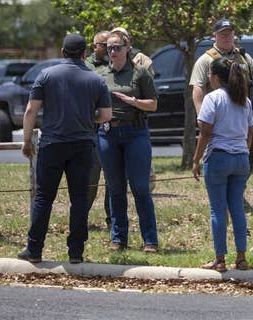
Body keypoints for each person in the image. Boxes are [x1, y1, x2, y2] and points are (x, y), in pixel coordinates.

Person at [17, 33, 112, 264]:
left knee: (43, 197)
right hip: (82, 145)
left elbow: (31, 110)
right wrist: (89, 119)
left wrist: (26, 140)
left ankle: (34, 249)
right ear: (84, 54)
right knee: (79, 198)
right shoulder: (96, 80)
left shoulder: (46, 75)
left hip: (52, 144)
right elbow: (106, 115)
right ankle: (76, 252)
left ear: (62, 52)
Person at [97, 31, 159, 253]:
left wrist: (133, 101)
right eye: (109, 47)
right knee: (115, 189)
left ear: (127, 48)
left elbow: (153, 105)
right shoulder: (101, 75)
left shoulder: (140, 73)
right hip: (107, 134)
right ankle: (119, 238)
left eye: (117, 47)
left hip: (135, 133)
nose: (113, 51)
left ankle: (150, 240)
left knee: (141, 188)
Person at [192, 57, 253, 272]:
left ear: (216, 76)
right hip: (241, 159)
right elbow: (250, 132)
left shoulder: (212, 98)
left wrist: (196, 159)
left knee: (218, 211)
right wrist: (242, 149)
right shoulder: (244, 100)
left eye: (210, 74)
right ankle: (242, 258)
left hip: (218, 157)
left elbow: (205, 132)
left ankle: (219, 260)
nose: (208, 77)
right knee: (237, 208)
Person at [190, 18, 253, 176]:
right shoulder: (206, 60)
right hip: (218, 115)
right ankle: (221, 185)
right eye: (223, 34)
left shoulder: (244, 57)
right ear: (214, 36)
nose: (227, 38)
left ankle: (238, 186)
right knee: (217, 153)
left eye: (230, 34)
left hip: (242, 114)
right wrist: (201, 114)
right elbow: (198, 88)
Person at [85, 30, 112, 228]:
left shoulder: (118, 62)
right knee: (90, 178)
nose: (110, 48)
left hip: (113, 128)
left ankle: (113, 219)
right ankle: (81, 217)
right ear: (95, 46)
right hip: (93, 128)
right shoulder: (87, 65)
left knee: (114, 179)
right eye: (105, 45)